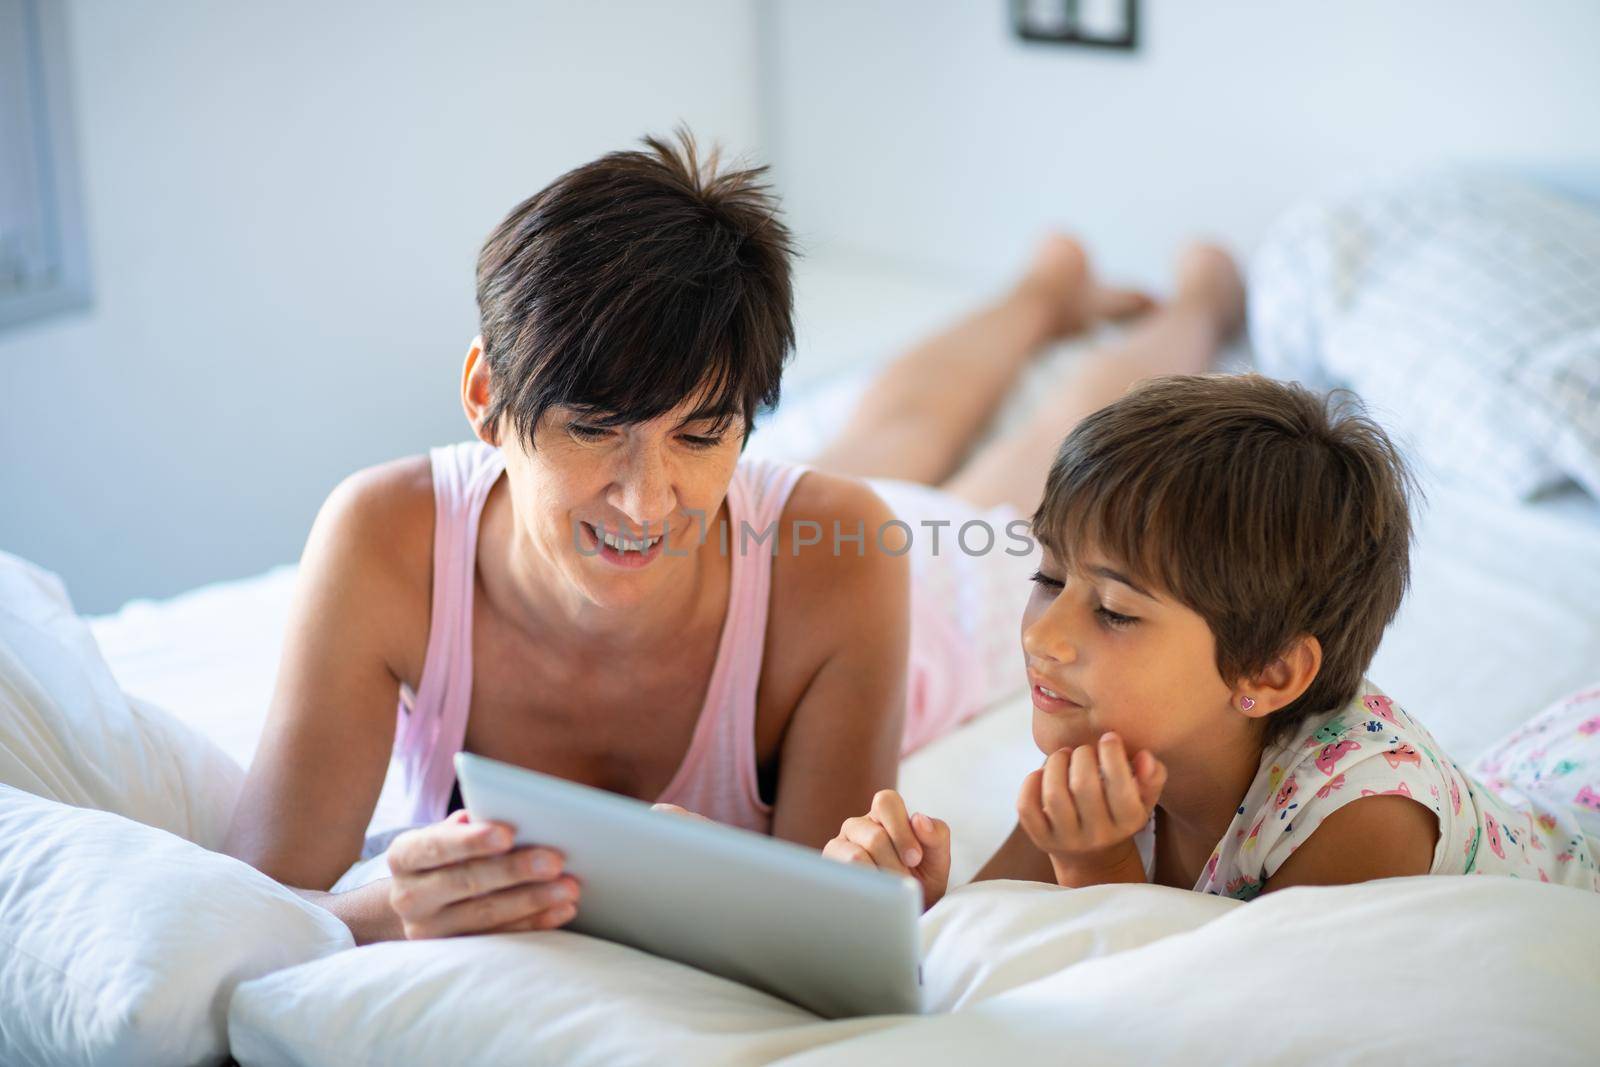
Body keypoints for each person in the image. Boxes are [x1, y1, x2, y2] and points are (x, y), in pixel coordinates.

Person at [223, 130, 1247, 944]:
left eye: (701, 433)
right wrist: (382, 912)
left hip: (907, 571)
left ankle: (1199, 297)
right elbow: (259, 905)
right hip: (788, 532)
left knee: (1033, 464)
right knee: (884, 434)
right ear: (487, 398)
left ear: (741, 428)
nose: (644, 498)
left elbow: (818, 921)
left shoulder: (841, 548)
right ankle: (1046, 287)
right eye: (593, 429)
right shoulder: (384, 537)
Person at [824, 375, 1600, 907]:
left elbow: (1204, 1011)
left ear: (1267, 670)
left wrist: (1097, 863)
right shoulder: (1107, 726)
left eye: (1116, 612)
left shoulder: (1363, 826)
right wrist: (918, 906)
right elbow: (996, 924)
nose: (1046, 637)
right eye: (1051, 578)